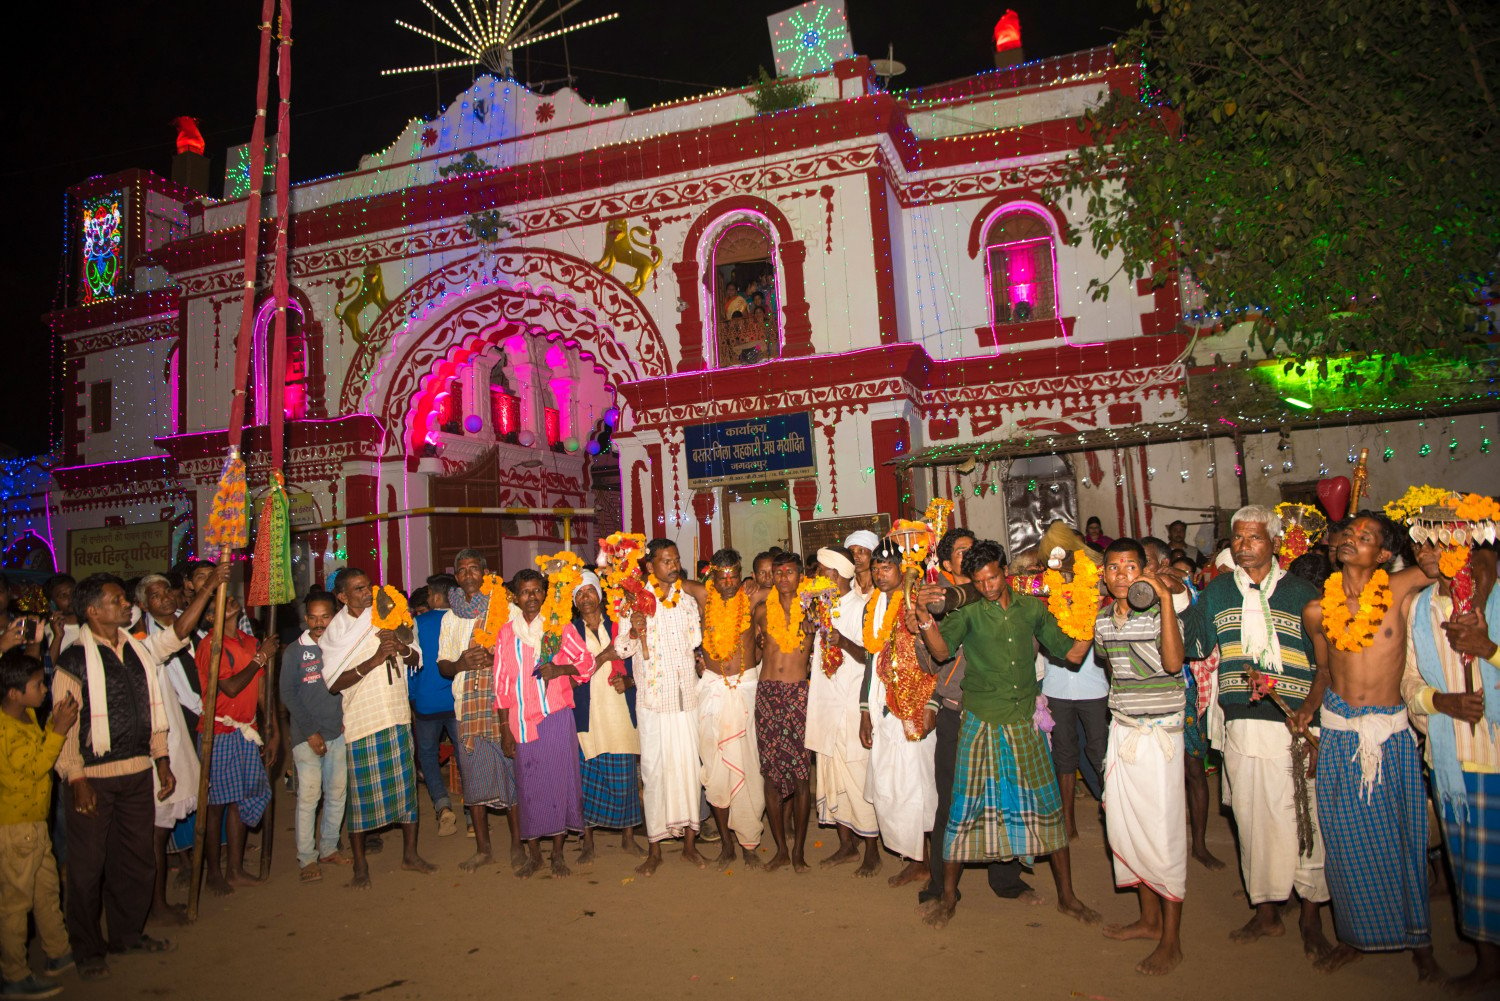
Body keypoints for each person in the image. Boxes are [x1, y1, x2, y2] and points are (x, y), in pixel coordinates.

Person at [913, 539, 1099, 929]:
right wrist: (926, 619)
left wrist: (1089, 611)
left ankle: (1068, 897)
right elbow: (943, 652)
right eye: (979, 582)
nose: (988, 587)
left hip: (1023, 721)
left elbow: (1073, 653)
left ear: (1004, 571)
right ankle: (948, 898)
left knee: (1047, 808)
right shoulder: (969, 613)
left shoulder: (1031, 609)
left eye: (993, 577)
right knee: (962, 812)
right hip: (980, 721)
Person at [53, 565, 228, 980]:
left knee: (134, 860)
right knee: (88, 866)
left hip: (137, 772)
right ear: (94, 612)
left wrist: (163, 762)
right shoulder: (73, 660)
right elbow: (64, 730)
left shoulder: (138, 648)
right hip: (92, 777)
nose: (126, 604)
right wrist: (75, 779)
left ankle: (127, 935)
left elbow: (176, 639)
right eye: (117, 600)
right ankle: (88, 948)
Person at [1292, 512, 1441, 979]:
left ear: (1382, 554)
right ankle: (1353, 937)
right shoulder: (1317, 609)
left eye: (1366, 537)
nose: (1353, 540)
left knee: (1404, 840)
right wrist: (1305, 710)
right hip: (1340, 733)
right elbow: (1322, 672)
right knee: (1344, 843)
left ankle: (1421, 944)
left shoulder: (1398, 589)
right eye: (1350, 534)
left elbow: (1438, 566)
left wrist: (1436, 535)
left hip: (1391, 735)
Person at [1182, 505, 1331, 955]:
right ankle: (1266, 912)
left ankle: (1310, 915)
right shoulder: (1217, 592)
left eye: (1255, 538)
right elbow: (1193, 644)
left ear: (1274, 542)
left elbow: (1327, 666)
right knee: (1251, 820)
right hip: (1242, 725)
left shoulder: (1303, 592)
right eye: (1238, 539)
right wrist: (1176, 599)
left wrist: (1309, 708)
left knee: (1305, 820)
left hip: (1297, 726)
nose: (1245, 547)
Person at [1403, 539, 1500, 993]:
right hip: (1453, 759)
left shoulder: (1496, 597)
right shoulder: (1421, 608)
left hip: (1495, 750)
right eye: (1418, 544)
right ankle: (1487, 958)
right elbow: (1409, 682)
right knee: (1470, 867)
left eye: (1438, 542)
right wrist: (1441, 701)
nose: (1426, 552)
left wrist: (1488, 648)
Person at [1094, 539, 1188, 975]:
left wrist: (1165, 599)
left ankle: (1172, 939)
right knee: (1126, 828)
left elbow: (1173, 663)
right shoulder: (1102, 618)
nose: (1121, 575)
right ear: (1104, 573)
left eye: (1130, 567)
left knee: (1163, 831)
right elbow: (1112, 667)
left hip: (1158, 737)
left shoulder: (1159, 610)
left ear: (1144, 570)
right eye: (1113, 567)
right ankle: (1149, 921)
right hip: (1124, 731)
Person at [319, 568, 435, 889]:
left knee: (406, 789)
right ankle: (360, 866)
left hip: (396, 714)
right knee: (361, 797)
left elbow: (416, 658)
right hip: (362, 720)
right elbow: (332, 683)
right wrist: (372, 660)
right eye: (357, 589)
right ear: (341, 596)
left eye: (367, 586)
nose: (366, 592)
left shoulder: (388, 612)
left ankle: (410, 855)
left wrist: (399, 648)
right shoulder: (336, 633)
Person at [495, 567, 593, 877]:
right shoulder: (506, 634)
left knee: (560, 784)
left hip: (557, 717)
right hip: (522, 724)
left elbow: (587, 663)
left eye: (537, 591)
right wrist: (504, 730)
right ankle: (534, 854)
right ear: (516, 596)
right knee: (530, 788)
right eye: (525, 592)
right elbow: (501, 687)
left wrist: (560, 670)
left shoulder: (558, 628)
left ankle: (558, 855)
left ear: (544, 593)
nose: (532, 597)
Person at [858, 540, 939, 889]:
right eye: (875, 567)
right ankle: (916, 859)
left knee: (923, 789)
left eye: (886, 567)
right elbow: (869, 659)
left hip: (916, 708)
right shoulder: (872, 607)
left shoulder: (919, 601)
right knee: (893, 788)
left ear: (903, 570)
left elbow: (940, 655)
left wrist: (933, 705)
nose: (879, 573)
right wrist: (864, 711)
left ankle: (933, 862)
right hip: (884, 708)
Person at [0, 651, 77, 999]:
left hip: (34, 823)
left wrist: (51, 724)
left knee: (46, 891)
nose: (44, 689)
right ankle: (14, 973)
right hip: (15, 827)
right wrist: (59, 731)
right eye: (37, 685)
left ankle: (58, 951)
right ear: (14, 693)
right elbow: (34, 767)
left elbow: (40, 748)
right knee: (16, 904)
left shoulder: (27, 715)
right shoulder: (6, 731)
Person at [437, 553, 521, 871]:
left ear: (485, 573)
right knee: (473, 782)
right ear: (456, 577)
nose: (469, 574)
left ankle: (516, 844)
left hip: (501, 704)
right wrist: (462, 663)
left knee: (510, 773)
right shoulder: (449, 618)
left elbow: (521, 652)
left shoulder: (506, 607)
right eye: (462, 570)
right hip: (467, 707)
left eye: (474, 568)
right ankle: (483, 848)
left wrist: (495, 657)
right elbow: (443, 665)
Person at [631, 539, 706, 876]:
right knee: (654, 771)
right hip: (653, 700)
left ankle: (690, 843)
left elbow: (694, 642)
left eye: (675, 559)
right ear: (650, 566)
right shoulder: (632, 603)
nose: (673, 565)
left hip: (686, 697)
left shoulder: (687, 602)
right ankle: (654, 847)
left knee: (689, 768)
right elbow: (620, 648)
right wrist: (635, 629)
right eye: (665, 560)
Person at [195, 591, 278, 896]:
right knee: (215, 805)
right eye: (220, 601)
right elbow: (229, 687)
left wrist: (272, 731)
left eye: (230, 597)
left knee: (241, 801)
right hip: (219, 732)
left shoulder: (248, 640)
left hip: (246, 730)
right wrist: (260, 658)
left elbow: (260, 691)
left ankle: (234, 868)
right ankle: (214, 872)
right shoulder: (210, 646)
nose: (229, 600)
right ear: (208, 616)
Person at [129, 575, 202, 922]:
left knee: (160, 828)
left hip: (170, 738)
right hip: (151, 745)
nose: (165, 599)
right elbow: (177, 634)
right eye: (154, 597)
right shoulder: (136, 643)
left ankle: (154, 902)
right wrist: (209, 588)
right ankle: (154, 905)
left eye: (166, 592)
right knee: (154, 832)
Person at [807, 546, 879, 875]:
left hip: (852, 703)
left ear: (834, 575)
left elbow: (871, 657)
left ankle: (871, 850)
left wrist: (845, 642)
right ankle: (846, 845)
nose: (816, 577)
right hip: (825, 702)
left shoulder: (864, 606)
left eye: (820, 571)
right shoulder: (820, 607)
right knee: (830, 772)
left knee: (858, 775)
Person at [695, 549, 765, 871]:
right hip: (711, 692)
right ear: (712, 577)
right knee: (715, 772)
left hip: (743, 692)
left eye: (733, 576)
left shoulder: (749, 599)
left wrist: (758, 582)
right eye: (721, 576)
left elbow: (787, 585)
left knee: (748, 770)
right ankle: (726, 843)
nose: (727, 582)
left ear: (740, 575)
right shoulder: (702, 597)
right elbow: (670, 582)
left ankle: (749, 842)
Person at [569, 572, 644, 862]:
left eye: (590, 591)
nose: (585, 597)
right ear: (574, 601)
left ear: (600, 595)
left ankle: (627, 838)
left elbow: (642, 664)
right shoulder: (568, 631)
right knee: (586, 779)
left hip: (619, 711)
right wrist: (604, 656)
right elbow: (569, 674)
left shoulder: (619, 626)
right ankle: (587, 842)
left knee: (624, 777)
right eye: (579, 593)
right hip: (586, 713)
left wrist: (632, 682)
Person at [752, 551, 816, 873]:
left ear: (800, 576)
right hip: (767, 694)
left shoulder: (815, 608)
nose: (783, 578)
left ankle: (800, 850)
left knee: (801, 775)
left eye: (789, 572)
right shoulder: (762, 610)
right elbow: (749, 646)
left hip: (798, 695)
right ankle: (779, 849)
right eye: (778, 573)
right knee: (770, 774)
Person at [280, 592, 348, 884]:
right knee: (309, 797)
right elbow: (287, 694)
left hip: (338, 733)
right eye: (313, 617)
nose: (319, 623)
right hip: (306, 737)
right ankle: (306, 857)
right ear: (305, 619)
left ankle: (329, 847)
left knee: (337, 793)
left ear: (335, 616)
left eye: (325, 616)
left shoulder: (340, 645)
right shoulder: (295, 652)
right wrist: (310, 732)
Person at [409, 573, 460, 839]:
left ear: (438, 596)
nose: (427, 598)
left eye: (429, 594)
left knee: (428, 756)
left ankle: (442, 806)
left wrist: (413, 698)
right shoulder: (461, 620)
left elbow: (412, 665)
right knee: (464, 754)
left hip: (427, 702)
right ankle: (474, 816)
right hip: (455, 700)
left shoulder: (418, 622)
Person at [844, 530, 878, 598]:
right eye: (851, 552)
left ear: (872, 554)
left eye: (861, 551)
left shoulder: (883, 587)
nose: (855, 557)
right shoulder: (847, 589)